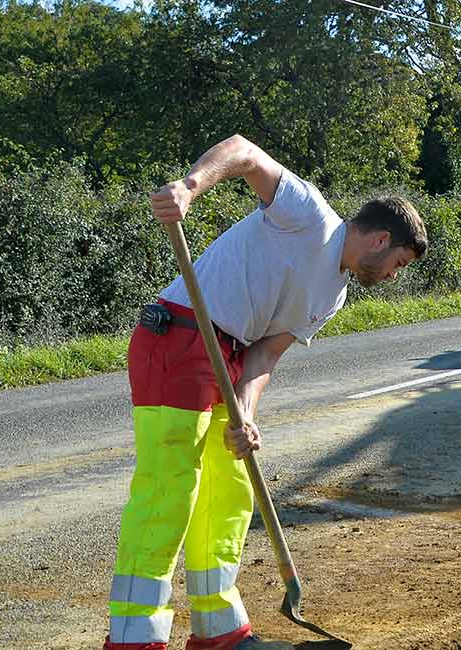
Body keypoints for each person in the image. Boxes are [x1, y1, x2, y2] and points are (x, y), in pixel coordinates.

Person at [104, 135, 427, 650]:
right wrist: (190, 187)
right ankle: (134, 636)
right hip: (181, 334)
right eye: (399, 264)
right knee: (171, 488)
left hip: (228, 354)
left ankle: (218, 629)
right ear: (380, 240)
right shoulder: (310, 216)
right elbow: (244, 151)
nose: (392, 277)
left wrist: (246, 416)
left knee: (230, 488)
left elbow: (265, 356)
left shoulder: (334, 293)